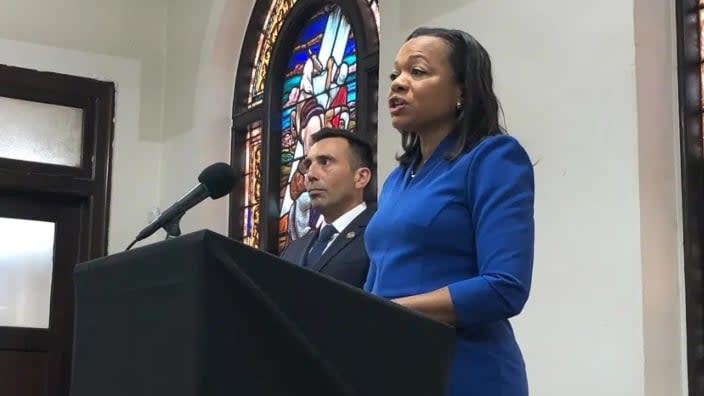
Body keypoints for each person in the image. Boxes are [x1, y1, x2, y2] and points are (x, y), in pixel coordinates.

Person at [363, 27, 535, 396]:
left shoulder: (493, 158)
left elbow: (505, 287)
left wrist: (380, 314)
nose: (398, 84)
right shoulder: (396, 181)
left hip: (465, 371)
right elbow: (374, 282)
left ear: (463, 91)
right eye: (395, 75)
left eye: (418, 72)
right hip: (392, 369)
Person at [280, 128, 375, 288]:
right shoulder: (292, 251)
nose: (310, 174)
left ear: (360, 177)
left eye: (325, 162)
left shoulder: (378, 235)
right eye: (308, 164)